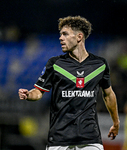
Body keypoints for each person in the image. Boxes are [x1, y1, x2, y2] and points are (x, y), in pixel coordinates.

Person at [18, 16, 120, 150]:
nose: (60, 38)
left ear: (79, 37)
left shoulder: (100, 64)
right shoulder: (55, 64)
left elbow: (108, 95)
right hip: (59, 139)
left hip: (90, 138)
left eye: (65, 34)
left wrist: (116, 122)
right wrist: (29, 94)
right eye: (60, 34)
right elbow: (38, 92)